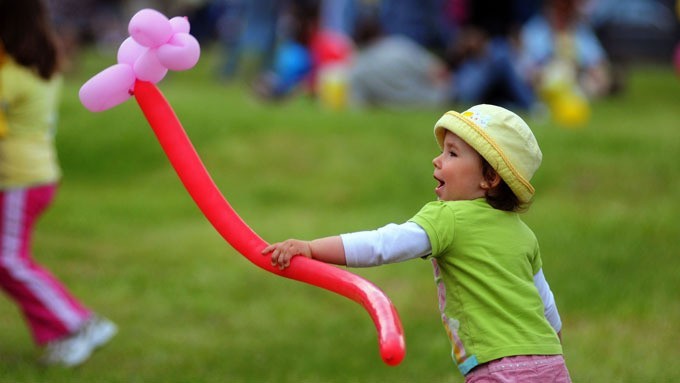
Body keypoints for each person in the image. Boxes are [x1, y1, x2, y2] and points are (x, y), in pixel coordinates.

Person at [262, 104, 572, 382]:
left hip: (497, 368)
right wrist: (545, 355)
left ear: (489, 178)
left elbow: (383, 244)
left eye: (452, 153)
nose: (437, 160)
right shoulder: (523, 234)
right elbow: (546, 305)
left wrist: (312, 248)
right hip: (551, 362)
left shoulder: (448, 217)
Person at [0, 0, 116, 367]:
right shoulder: (35, 65)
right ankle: (68, 326)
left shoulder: (12, 76)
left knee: (8, 260)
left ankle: (77, 324)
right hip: (30, 178)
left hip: (20, 180)